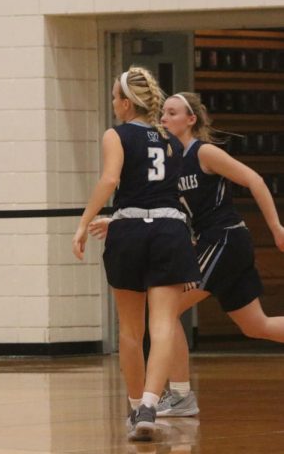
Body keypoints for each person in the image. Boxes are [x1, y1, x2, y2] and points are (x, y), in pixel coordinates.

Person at [90, 91, 284, 418]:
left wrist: (277, 228)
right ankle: (177, 395)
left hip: (225, 239)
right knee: (257, 325)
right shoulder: (169, 156)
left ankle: (180, 395)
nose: (164, 118)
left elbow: (254, 179)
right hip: (211, 242)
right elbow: (159, 204)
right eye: (162, 113)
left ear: (191, 119)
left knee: (168, 310)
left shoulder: (203, 152)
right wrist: (118, 220)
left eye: (173, 113)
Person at [72, 67, 200, 442]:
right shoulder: (173, 141)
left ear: (126, 103)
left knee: (130, 329)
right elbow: (167, 194)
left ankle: (135, 407)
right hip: (169, 230)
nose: (113, 104)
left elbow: (111, 180)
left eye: (115, 97)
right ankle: (149, 403)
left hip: (129, 230)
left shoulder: (116, 135)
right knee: (163, 325)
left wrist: (86, 221)